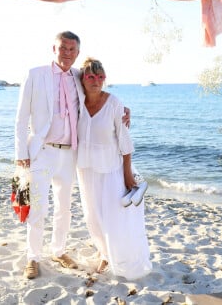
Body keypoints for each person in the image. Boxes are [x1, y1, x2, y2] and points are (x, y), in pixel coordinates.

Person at [15, 32, 130, 280]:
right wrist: (20, 153)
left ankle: (58, 250)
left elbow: (96, 94)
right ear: (53, 48)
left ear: (77, 53)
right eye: (63, 48)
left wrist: (123, 109)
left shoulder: (78, 76)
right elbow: (22, 116)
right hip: (42, 152)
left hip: (70, 155)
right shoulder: (36, 74)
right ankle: (33, 257)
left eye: (72, 49)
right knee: (39, 206)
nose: (67, 53)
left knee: (64, 207)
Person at [76, 57, 152, 280]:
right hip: (86, 169)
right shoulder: (77, 102)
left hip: (111, 169)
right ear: (82, 79)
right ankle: (103, 252)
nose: (96, 81)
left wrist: (127, 173)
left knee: (113, 216)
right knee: (93, 215)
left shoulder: (114, 103)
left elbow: (125, 141)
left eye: (100, 77)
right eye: (90, 76)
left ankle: (115, 255)